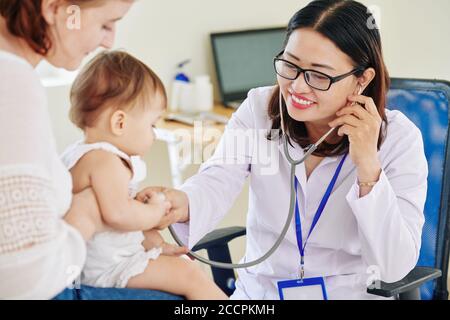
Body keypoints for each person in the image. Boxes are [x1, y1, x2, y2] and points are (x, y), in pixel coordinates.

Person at [139, 0, 428, 300]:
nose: (297, 87)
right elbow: (216, 180)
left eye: (319, 75)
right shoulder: (257, 111)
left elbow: (394, 267)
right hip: (260, 295)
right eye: (290, 65)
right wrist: (179, 203)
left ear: (362, 80)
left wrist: (368, 165)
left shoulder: (398, 140)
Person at [61, 50, 227, 300]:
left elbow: (116, 224)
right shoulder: (105, 161)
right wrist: (156, 211)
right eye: (151, 124)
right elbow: (119, 215)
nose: (154, 134)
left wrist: (158, 245)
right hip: (110, 269)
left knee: (182, 267)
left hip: (107, 261)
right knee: (189, 275)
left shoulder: (79, 154)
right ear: (120, 123)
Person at [0, 0, 134, 299]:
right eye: (105, 24)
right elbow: (25, 280)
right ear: (56, 9)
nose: (109, 41)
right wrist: (87, 214)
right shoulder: (11, 80)